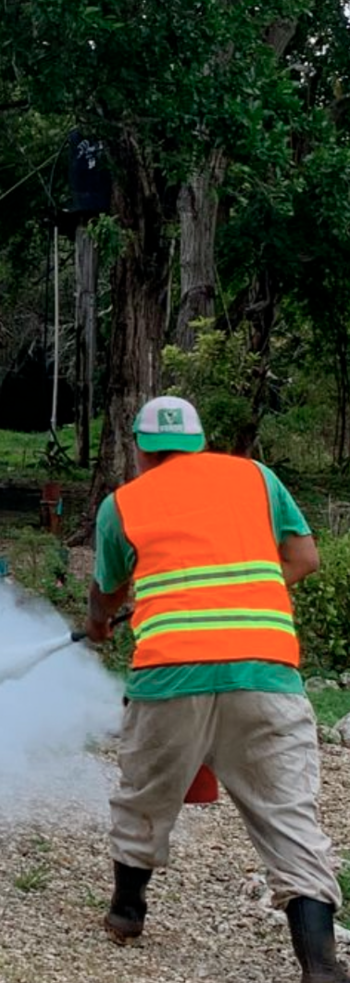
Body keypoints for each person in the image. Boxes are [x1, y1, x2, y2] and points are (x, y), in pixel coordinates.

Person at [87, 395, 347, 983]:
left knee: (146, 792)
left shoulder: (122, 504)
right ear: (202, 439)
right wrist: (239, 593)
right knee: (288, 815)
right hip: (265, 672)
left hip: (170, 675)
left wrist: (100, 624)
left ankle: (127, 912)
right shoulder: (255, 477)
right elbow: (304, 558)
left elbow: (107, 594)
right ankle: (322, 967)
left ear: (140, 449)